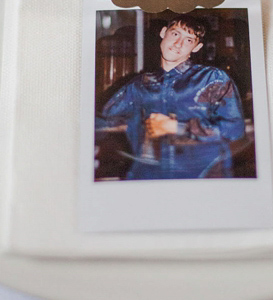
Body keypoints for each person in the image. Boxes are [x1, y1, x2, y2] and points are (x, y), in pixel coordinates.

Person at [96, 13, 246, 180]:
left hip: (201, 177)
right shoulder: (140, 84)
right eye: (175, 34)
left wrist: (177, 127)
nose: (178, 44)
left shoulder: (212, 79)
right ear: (163, 33)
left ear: (196, 48)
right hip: (148, 176)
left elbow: (234, 129)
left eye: (189, 40)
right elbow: (106, 120)